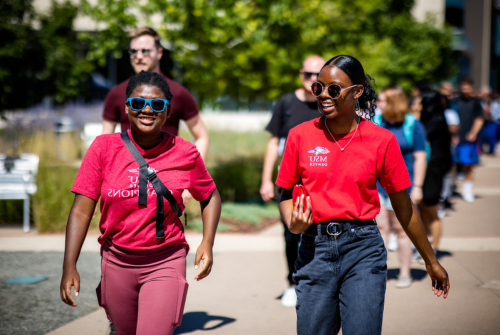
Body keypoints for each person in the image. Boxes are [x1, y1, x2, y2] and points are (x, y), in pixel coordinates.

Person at [277, 55, 449, 335]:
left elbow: (404, 208)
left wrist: (431, 261)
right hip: (314, 250)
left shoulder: (382, 141)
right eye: (318, 87)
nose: (323, 95)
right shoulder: (300, 136)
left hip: (363, 250)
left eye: (334, 89)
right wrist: (292, 223)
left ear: (357, 92)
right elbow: (284, 193)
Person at [60, 71, 221, 335]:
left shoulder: (185, 152)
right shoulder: (103, 148)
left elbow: (210, 195)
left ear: (167, 111)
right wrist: (69, 265)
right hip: (116, 261)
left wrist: (207, 241)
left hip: (165, 259)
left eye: (157, 105)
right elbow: (80, 210)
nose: (147, 109)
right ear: (126, 108)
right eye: (138, 103)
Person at [101, 27, 209, 206]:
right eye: (134, 51)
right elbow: (105, 143)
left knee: (166, 232)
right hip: (126, 181)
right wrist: (100, 184)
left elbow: (202, 136)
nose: (139, 56)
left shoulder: (178, 93)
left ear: (159, 53)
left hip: (167, 182)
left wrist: (190, 178)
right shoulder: (116, 93)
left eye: (145, 51)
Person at [260, 54, 325, 307]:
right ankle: (291, 283)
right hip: (290, 183)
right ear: (301, 75)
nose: (313, 80)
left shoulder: (327, 103)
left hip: (320, 183)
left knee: (318, 233)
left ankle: (315, 282)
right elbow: (273, 141)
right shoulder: (286, 103)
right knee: (290, 234)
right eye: (309, 74)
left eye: (318, 75)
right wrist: (267, 180)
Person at [374, 86, 427, 288]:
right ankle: (379, 272)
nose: (378, 104)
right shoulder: (377, 123)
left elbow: (420, 157)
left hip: (405, 187)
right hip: (378, 187)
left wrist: (419, 186)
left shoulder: (413, 125)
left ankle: (405, 273)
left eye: (383, 100)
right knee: (380, 229)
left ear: (395, 102)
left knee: (403, 230)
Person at [413, 87, 452, 253]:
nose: (416, 103)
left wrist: (414, 114)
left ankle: (434, 247)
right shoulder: (430, 118)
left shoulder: (435, 121)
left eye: (419, 101)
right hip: (427, 167)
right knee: (421, 208)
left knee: (431, 208)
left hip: (433, 168)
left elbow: (418, 136)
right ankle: (425, 247)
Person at [452, 78, 484, 202]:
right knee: (451, 165)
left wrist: (473, 132)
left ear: (471, 87)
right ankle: (450, 188)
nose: (465, 88)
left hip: (468, 139)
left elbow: (479, 118)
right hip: (455, 139)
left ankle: (467, 190)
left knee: (469, 165)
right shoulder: (454, 101)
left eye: (467, 85)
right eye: (463, 85)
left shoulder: (476, 103)